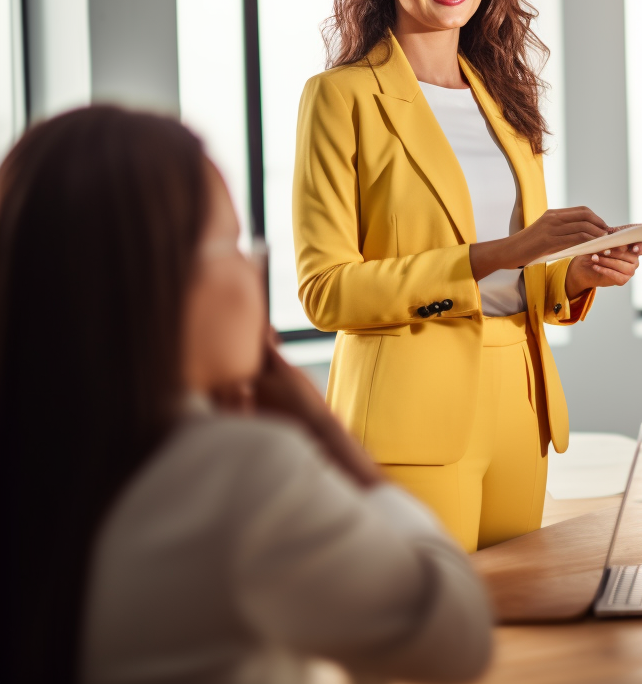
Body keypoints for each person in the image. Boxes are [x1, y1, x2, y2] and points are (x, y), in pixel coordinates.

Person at [0, 107, 491, 683]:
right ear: (161, 278)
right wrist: (328, 436)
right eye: (231, 243)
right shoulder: (242, 474)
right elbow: (454, 639)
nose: (251, 270)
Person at [294, 0, 642, 551]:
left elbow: (520, 281)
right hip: (408, 415)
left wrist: (576, 275)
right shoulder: (341, 98)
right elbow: (326, 291)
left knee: (520, 633)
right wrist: (500, 253)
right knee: (424, 638)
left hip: (520, 405)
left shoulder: (506, 101)